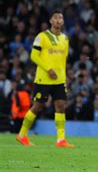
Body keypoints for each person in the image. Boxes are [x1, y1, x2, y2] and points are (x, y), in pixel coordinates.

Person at [16, 10, 74, 147]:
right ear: (51, 21)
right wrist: (48, 69)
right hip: (43, 79)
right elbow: (34, 56)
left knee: (60, 106)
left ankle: (61, 139)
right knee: (38, 106)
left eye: (61, 17)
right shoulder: (41, 37)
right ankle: (22, 135)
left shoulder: (65, 39)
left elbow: (63, 60)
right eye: (56, 17)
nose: (58, 20)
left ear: (63, 21)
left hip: (59, 80)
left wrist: (64, 77)